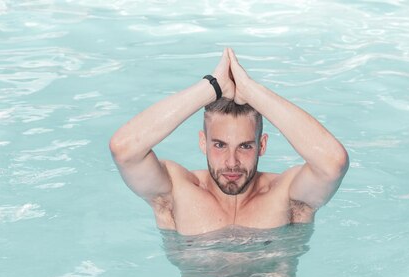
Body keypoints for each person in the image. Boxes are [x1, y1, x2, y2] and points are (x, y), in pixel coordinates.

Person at [109, 48, 348, 236]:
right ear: (203, 143)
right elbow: (124, 150)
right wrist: (212, 87)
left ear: (261, 146)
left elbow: (333, 163)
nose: (231, 162)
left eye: (245, 146)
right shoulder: (176, 191)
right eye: (220, 145)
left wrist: (252, 92)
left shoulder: (285, 195)